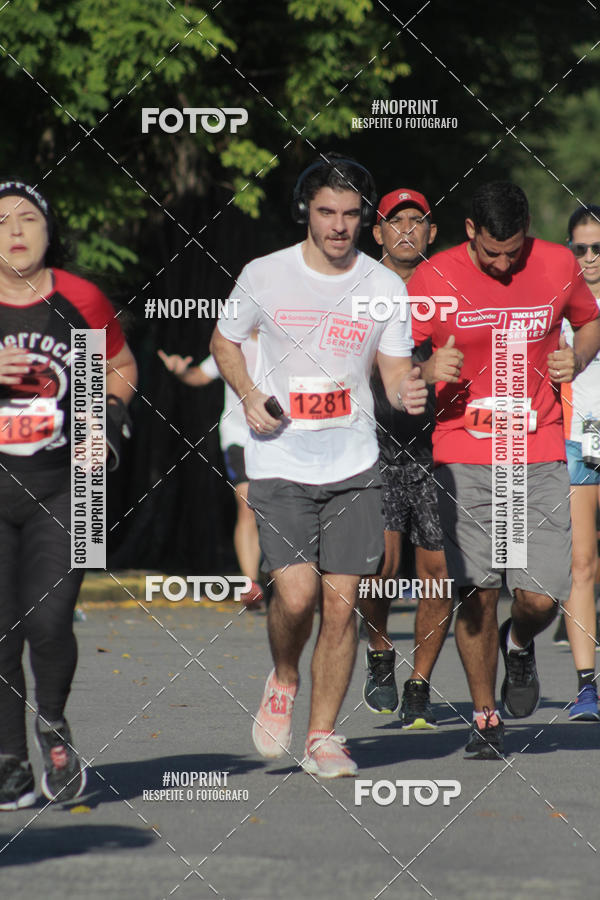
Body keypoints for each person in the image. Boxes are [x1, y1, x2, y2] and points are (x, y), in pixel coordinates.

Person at [210, 154, 427, 777]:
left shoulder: (384, 287)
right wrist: (251, 396)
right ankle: (283, 675)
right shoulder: (264, 275)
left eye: (351, 215)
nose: (338, 226)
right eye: (327, 212)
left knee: (342, 606)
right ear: (306, 211)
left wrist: (406, 391)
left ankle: (323, 736)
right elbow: (224, 342)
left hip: (355, 462)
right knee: (298, 596)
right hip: (280, 456)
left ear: (366, 220)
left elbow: (390, 372)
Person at [407, 182, 600, 759]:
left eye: (513, 251)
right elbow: (392, 352)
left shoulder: (559, 263)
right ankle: (485, 715)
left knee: (541, 594)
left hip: (537, 445)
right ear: (470, 231)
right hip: (463, 449)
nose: (503, 263)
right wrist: (425, 364)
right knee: (478, 592)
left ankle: (521, 641)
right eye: (492, 253)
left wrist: (580, 354)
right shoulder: (432, 277)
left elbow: (590, 321)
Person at [0, 180, 137, 809]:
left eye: (28, 218)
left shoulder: (78, 300)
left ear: (50, 231)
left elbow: (117, 366)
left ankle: (52, 728)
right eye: (2, 221)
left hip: (71, 486)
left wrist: (105, 422)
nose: (16, 230)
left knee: (49, 621)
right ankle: (9, 763)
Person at [360, 189, 460, 727]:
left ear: (431, 231)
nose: (404, 229)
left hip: (437, 443)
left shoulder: (449, 288)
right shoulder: (357, 286)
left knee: (438, 571)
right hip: (372, 441)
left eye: (415, 221)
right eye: (393, 221)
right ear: (376, 232)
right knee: (379, 564)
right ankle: (379, 649)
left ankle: (419, 684)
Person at [158, 333, 263, 608]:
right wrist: (181, 372)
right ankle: (251, 584)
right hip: (240, 436)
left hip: (281, 437)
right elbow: (199, 376)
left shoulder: (285, 340)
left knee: (281, 508)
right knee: (247, 502)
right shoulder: (230, 343)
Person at [558, 204, 600, 720]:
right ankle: (587, 685)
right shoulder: (558, 303)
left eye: (597, 248)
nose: (588, 257)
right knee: (582, 564)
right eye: (580, 248)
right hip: (579, 438)